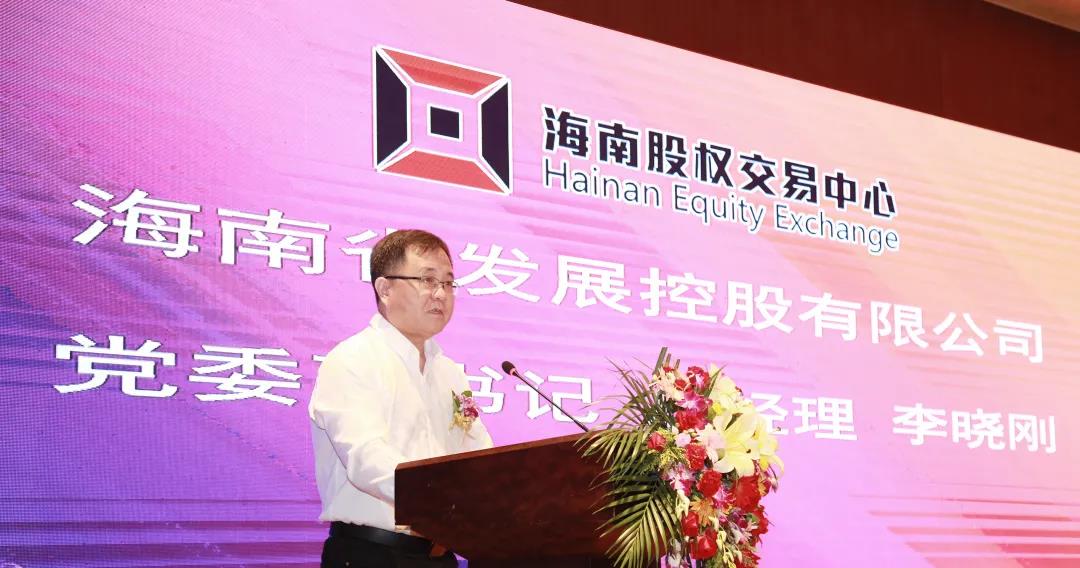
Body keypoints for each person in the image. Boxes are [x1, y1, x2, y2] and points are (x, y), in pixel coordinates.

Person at [309, 229, 493, 567]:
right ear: (385, 289)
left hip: (440, 556)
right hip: (370, 554)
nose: (441, 293)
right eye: (427, 280)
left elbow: (477, 453)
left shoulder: (451, 373)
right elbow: (366, 458)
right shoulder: (353, 359)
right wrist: (441, 499)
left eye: (448, 282)